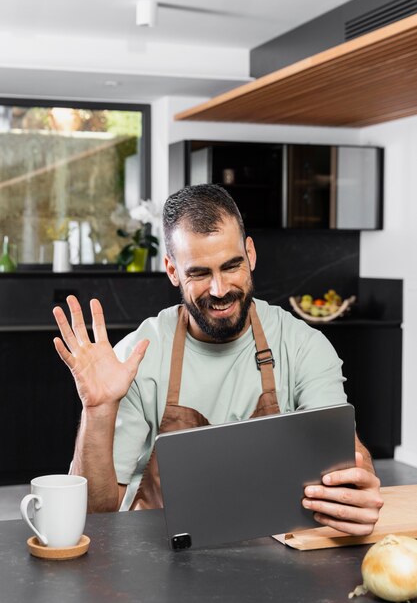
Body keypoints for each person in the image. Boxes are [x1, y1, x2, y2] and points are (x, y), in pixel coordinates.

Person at [53, 184, 383, 535]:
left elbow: (343, 458)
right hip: (161, 558)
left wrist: (358, 488)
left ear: (251, 254)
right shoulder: (136, 357)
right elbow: (95, 514)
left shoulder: (302, 346)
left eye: (231, 266)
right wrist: (98, 410)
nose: (219, 289)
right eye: (199, 273)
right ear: (172, 270)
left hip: (276, 549)